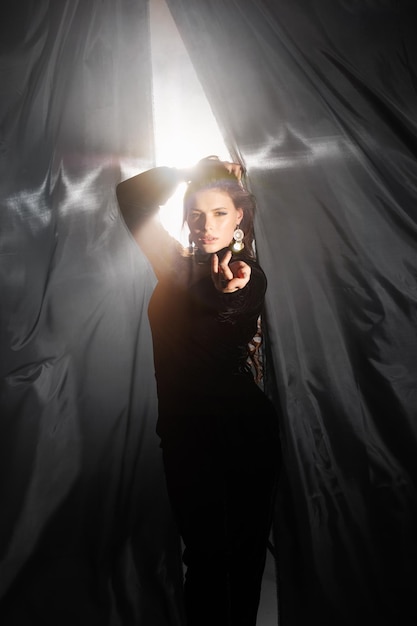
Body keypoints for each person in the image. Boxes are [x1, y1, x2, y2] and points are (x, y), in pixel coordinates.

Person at [116, 156, 281, 626]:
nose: (206, 226)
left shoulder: (248, 274)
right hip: (185, 435)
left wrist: (229, 295)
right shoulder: (171, 264)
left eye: (220, 214)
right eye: (196, 214)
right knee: (206, 559)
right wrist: (186, 170)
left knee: (243, 559)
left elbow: (234, 310)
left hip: (243, 433)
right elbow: (132, 199)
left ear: (240, 218)